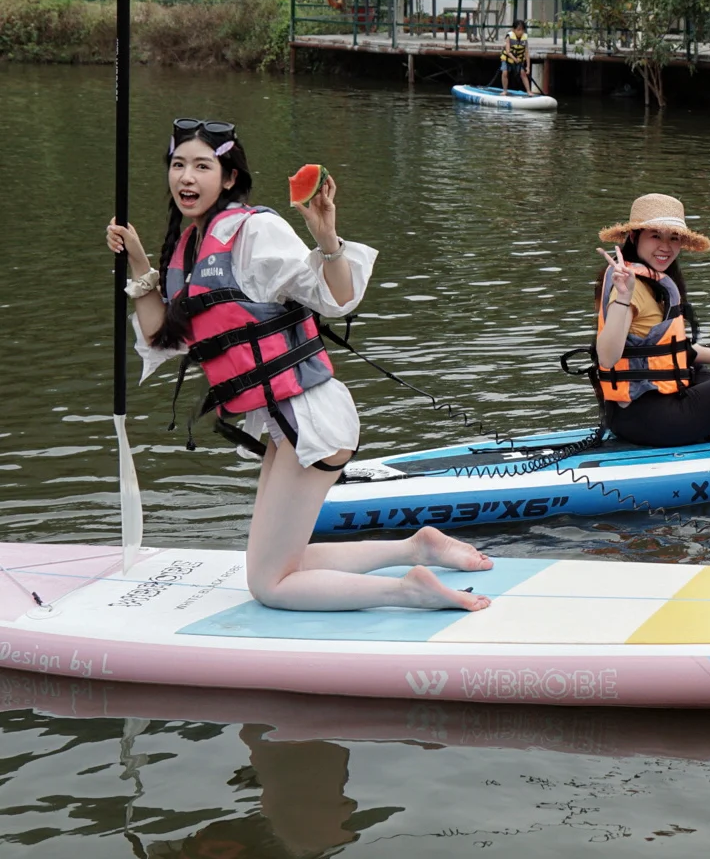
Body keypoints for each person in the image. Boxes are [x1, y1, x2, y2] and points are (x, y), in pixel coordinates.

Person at [106, 119, 491, 612]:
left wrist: (326, 238)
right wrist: (139, 262)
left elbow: (336, 297)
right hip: (289, 423)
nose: (186, 177)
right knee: (284, 564)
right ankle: (417, 548)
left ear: (228, 178)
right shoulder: (191, 247)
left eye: (202, 166)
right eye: (178, 165)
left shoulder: (255, 230)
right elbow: (165, 341)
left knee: (269, 584)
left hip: (310, 418)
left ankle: (409, 589)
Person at [590, 193, 710, 446]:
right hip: (655, 422)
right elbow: (607, 357)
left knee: (700, 368)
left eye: (673, 238)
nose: (666, 247)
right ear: (634, 237)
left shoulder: (657, 284)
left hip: (628, 420)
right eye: (656, 235)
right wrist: (623, 298)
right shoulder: (626, 287)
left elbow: (679, 350)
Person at [499, 18, 532, 94]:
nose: (521, 32)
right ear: (513, 30)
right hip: (508, 59)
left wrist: (528, 67)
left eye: (523, 30)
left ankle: (529, 91)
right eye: (519, 30)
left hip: (519, 60)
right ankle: (505, 91)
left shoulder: (524, 38)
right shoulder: (509, 37)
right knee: (505, 73)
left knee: (523, 73)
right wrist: (514, 59)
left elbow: (526, 53)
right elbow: (507, 51)